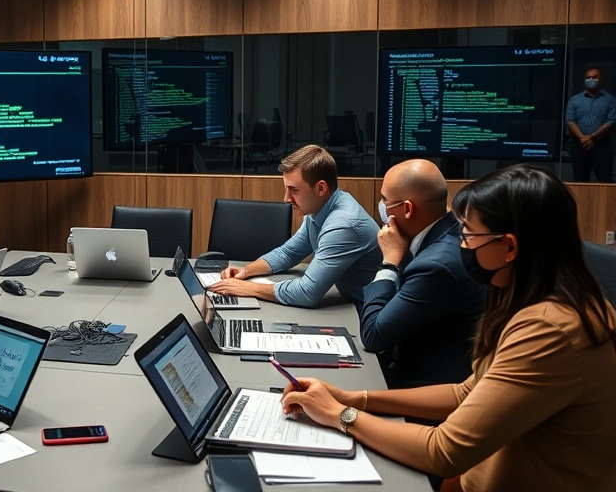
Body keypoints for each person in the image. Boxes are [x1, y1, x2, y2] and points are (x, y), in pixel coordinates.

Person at [279, 164, 616, 492]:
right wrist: (354, 397)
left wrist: (340, 414)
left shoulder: (550, 329)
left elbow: (444, 451)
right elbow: (466, 392)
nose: (461, 244)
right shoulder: (535, 299)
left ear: (510, 247)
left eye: (468, 234)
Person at [360, 159, 486, 388]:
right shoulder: (448, 231)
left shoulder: (436, 266)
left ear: (407, 209)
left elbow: (373, 336)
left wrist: (389, 262)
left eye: (385, 200)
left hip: (425, 386)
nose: (381, 206)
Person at [209, 144, 381, 308]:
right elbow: (288, 253)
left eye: (294, 190)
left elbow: (307, 292)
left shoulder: (343, 225)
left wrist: (249, 289)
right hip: (350, 302)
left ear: (321, 188)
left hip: (367, 312)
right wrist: (247, 271)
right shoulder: (319, 208)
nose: (286, 198)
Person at [566, 66, 616, 182]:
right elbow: (569, 120)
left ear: (601, 79)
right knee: (579, 180)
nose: (590, 79)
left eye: (594, 77)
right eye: (588, 77)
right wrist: (582, 138)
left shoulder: (610, 100)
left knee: (605, 181)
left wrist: (592, 137)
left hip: (601, 145)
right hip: (579, 145)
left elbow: (611, 121)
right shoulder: (574, 100)